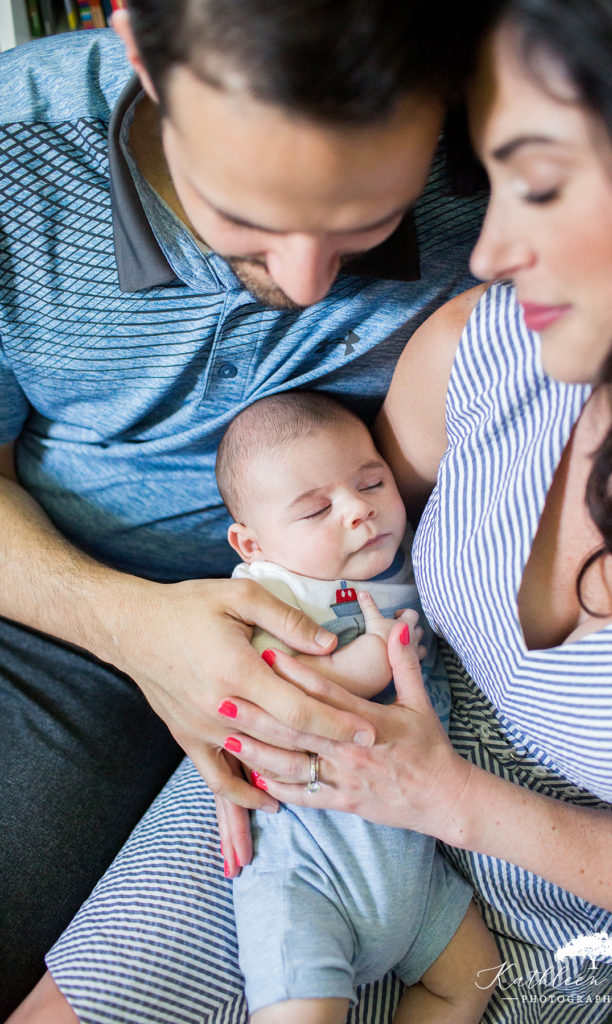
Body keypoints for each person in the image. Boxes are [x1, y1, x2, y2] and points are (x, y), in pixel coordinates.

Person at [28, 0, 612, 1022]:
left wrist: (453, 800)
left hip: (565, 886)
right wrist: (185, 648)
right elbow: (358, 536)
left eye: (540, 187)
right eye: (496, 181)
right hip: (309, 765)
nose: (489, 245)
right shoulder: (489, 343)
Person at [0, 0, 491, 1013]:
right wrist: (128, 623)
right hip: (61, 602)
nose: (308, 280)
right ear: (139, 47)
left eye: (368, 219)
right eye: (247, 216)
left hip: (332, 612)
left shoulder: (494, 156)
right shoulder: (16, 158)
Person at [216, 389, 497, 1022]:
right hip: (310, 862)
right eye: (316, 510)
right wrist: (366, 666)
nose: (358, 512)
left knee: (471, 980)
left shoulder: (419, 558)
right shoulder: (271, 589)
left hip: (417, 874)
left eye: (372, 482)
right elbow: (270, 690)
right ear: (251, 543)